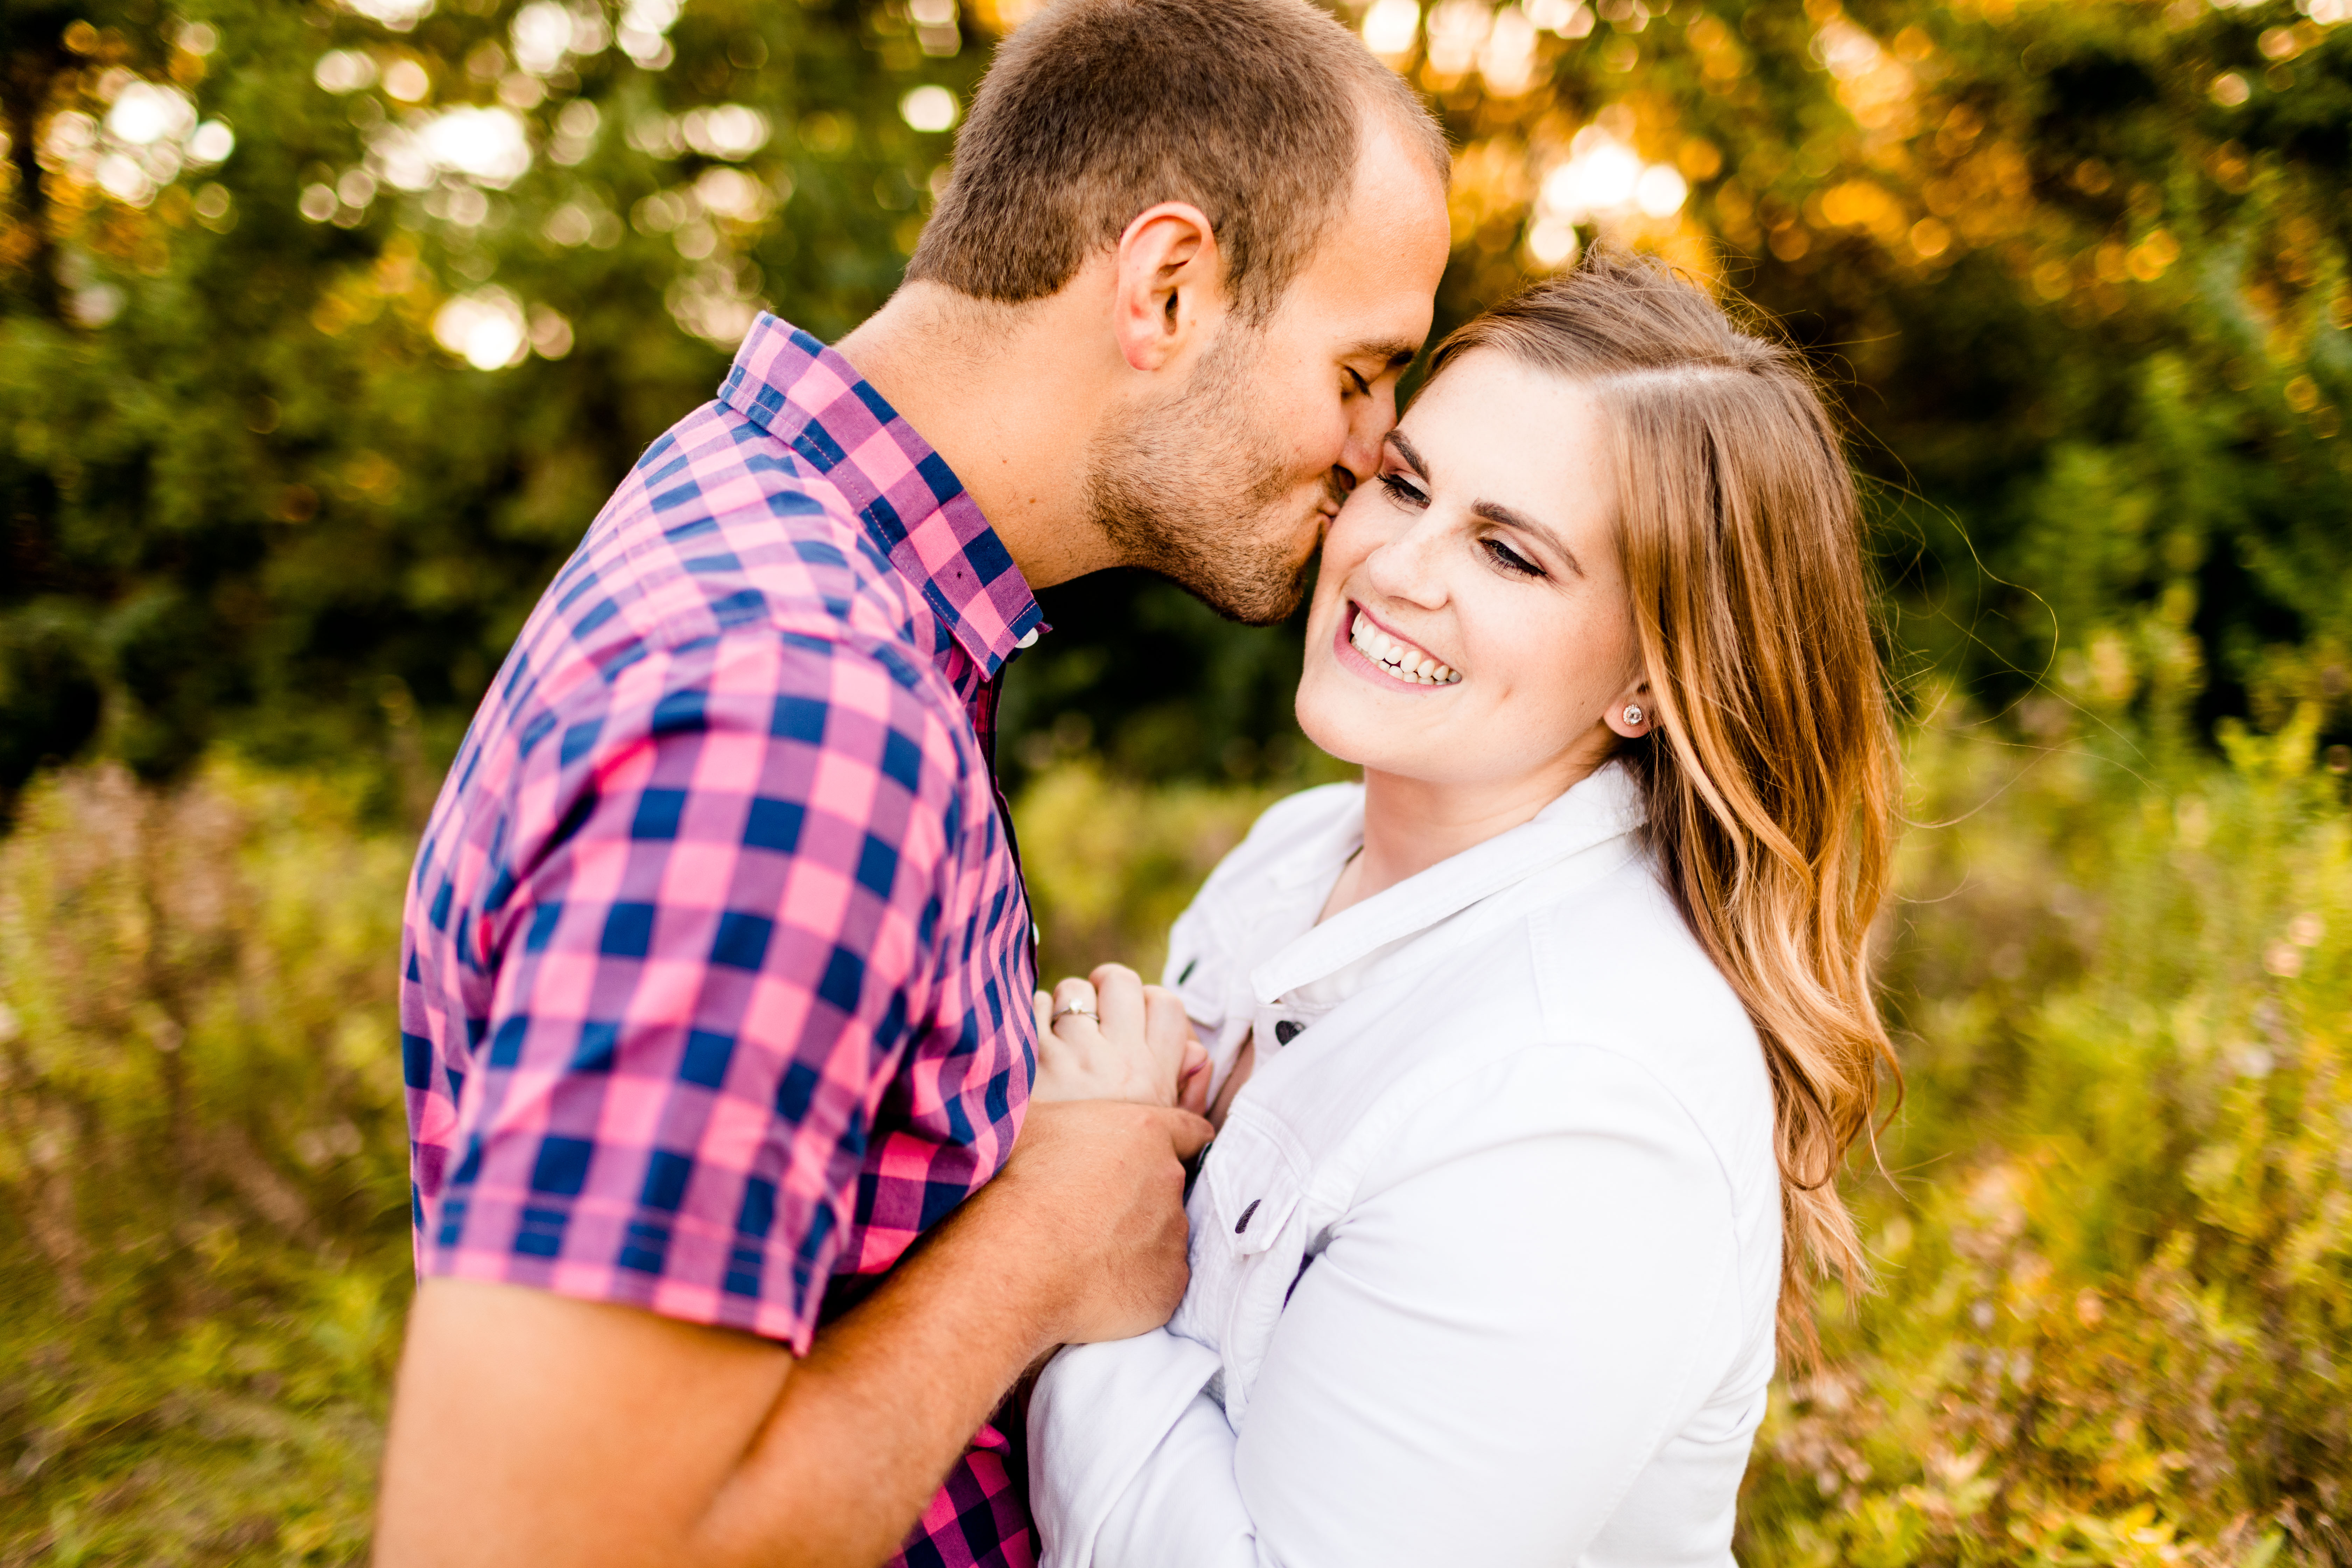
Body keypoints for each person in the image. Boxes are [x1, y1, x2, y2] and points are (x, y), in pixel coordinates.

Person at [371, 0, 1452, 1562]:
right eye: (1359, 370)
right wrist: (1051, 1237)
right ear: (1166, 286)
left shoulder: (773, 521)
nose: (1377, 449)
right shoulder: (799, 714)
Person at [1025, 248, 1901, 1565]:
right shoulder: (1293, 855)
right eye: (1405, 483)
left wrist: (1075, 1256)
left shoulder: (1581, 1101)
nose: (1394, 564)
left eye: (1508, 552)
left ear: (1651, 682)